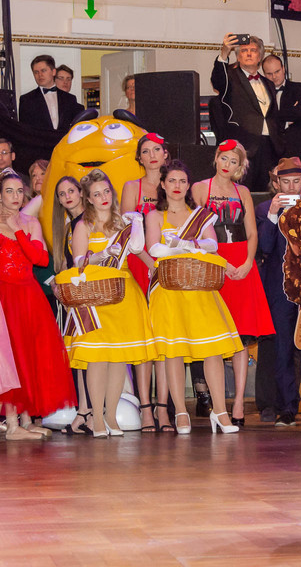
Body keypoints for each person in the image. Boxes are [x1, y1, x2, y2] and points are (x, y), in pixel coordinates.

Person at [145, 160, 241, 434]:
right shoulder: (154, 216)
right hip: (169, 289)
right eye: (172, 181)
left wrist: (185, 244)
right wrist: (187, 248)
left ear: (188, 185)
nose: (177, 186)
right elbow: (154, 249)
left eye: (182, 181)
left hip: (200, 289)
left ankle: (220, 412)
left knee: (212, 350)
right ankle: (181, 412)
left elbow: (212, 244)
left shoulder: (200, 214)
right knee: (174, 351)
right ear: (163, 184)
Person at [68, 170, 157, 437]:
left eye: (106, 191)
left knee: (119, 358)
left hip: (123, 293)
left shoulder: (123, 222)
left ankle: (111, 416)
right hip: (96, 294)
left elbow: (138, 250)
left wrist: (156, 267)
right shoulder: (83, 225)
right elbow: (78, 262)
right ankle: (96, 417)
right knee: (98, 358)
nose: (103, 197)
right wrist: (102, 254)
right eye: (97, 194)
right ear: (88, 199)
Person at [192, 140, 275, 425]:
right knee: (215, 335)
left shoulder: (243, 192)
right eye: (224, 158)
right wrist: (220, 262)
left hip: (242, 262)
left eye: (234, 161)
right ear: (216, 158)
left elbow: (252, 232)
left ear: (240, 166)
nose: (227, 165)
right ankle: (218, 405)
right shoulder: (200, 188)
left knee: (242, 336)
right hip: (214, 261)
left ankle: (238, 402)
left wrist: (249, 262)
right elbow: (196, 231)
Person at [0, 170, 76, 439]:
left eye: (19, 191)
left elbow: (40, 259)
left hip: (29, 296)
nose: (15, 196)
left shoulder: (30, 222)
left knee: (30, 357)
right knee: (10, 358)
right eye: (9, 191)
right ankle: (12, 424)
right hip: (5, 297)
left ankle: (26, 419)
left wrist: (18, 230)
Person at [255, 158, 301, 426]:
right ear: (277, 183)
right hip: (280, 289)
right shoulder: (265, 209)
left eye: (296, 181)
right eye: (286, 181)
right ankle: (286, 408)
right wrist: (273, 215)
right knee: (282, 349)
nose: (292, 186)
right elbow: (264, 247)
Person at [120, 132, 171, 432]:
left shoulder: (173, 182)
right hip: (141, 266)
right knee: (143, 340)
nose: (152, 155)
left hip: (168, 268)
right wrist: (152, 264)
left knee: (163, 339)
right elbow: (127, 233)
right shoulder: (132, 187)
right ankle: (145, 408)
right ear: (139, 157)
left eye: (157, 150)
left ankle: (164, 408)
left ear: (165, 154)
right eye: (146, 151)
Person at [211, 34, 280, 191]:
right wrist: (224, 53)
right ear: (238, 56)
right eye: (244, 50)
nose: (249, 53)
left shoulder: (268, 83)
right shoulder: (230, 76)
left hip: (268, 146)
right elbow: (217, 80)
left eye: (253, 50)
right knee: (241, 191)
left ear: (259, 57)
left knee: (266, 193)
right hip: (243, 145)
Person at [51, 175, 93, 435]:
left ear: (81, 192)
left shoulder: (89, 221)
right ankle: (83, 410)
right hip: (74, 297)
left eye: (71, 191)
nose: (67, 196)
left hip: (90, 295)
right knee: (77, 354)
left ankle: (91, 411)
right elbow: (67, 265)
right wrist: (59, 284)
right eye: (61, 193)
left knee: (88, 354)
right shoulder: (68, 227)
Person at [262, 54, 301, 174]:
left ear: (283, 69)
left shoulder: (300, 88)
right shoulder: (261, 93)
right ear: (264, 74)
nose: (274, 77)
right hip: (271, 152)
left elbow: (300, 113)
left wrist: (273, 117)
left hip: (297, 150)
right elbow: (261, 118)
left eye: (277, 71)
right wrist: (288, 116)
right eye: (269, 74)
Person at [18, 55, 84, 136]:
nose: (40, 75)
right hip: (40, 144)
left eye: (43, 70)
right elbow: (25, 133)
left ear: (53, 72)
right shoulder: (26, 100)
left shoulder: (70, 99)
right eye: (36, 72)